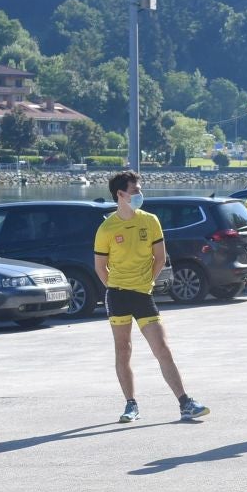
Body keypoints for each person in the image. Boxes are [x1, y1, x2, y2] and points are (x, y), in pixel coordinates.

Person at [93, 170, 211, 425]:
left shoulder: (150, 221)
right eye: (135, 191)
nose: (139, 194)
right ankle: (131, 404)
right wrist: (113, 287)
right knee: (123, 349)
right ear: (120, 195)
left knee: (162, 348)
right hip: (118, 296)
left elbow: (160, 257)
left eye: (139, 190)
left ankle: (185, 402)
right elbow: (100, 267)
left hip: (143, 294)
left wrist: (149, 281)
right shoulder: (106, 228)